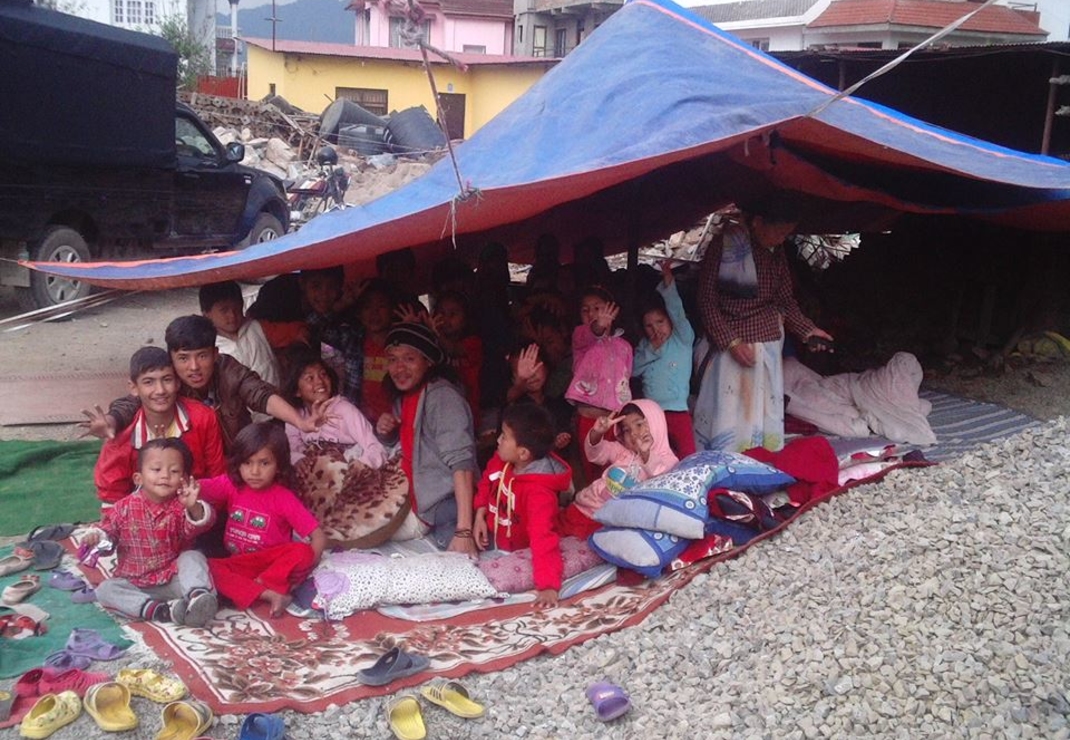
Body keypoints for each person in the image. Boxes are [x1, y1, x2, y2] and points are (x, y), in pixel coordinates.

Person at [694, 200, 833, 452]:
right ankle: (724, 463)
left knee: (761, 415)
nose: (782, 239)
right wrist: (731, 342)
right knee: (729, 416)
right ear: (757, 222)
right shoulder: (726, 245)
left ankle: (761, 462)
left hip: (767, 345)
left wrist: (808, 330)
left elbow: (784, 300)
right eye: (779, 232)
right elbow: (706, 301)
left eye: (786, 234)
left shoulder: (776, 252)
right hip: (730, 349)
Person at [85, 315, 326, 450]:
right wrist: (110, 420)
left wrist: (300, 421)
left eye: (202, 356)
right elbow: (134, 402)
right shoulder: (167, 378)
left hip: (235, 459)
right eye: (183, 358)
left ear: (215, 353)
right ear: (171, 358)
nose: (193, 367)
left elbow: (260, 394)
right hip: (187, 464)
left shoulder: (228, 369)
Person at [83, 438, 219, 626]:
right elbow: (108, 535)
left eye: (174, 471)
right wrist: (98, 538)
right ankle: (163, 611)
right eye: (156, 470)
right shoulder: (123, 507)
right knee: (105, 590)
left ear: (184, 479)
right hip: (135, 583)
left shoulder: (181, 506)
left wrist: (194, 507)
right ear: (138, 478)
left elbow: (199, 526)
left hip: (172, 578)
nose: (165, 476)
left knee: (193, 557)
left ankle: (197, 597)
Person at [199, 423, 327, 617]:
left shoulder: (283, 498)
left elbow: (318, 537)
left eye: (264, 463)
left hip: (273, 564)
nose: (255, 471)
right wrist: (178, 485)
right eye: (247, 463)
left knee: (302, 551)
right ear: (237, 463)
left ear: (279, 465)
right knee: (206, 567)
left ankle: (256, 587)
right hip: (242, 563)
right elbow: (202, 488)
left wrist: (306, 569)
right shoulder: (231, 485)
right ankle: (270, 594)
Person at [374, 322, 479, 556]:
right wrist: (388, 433)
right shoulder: (406, 397)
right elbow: (415, 447)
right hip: (414, 499)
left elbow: (462, 463)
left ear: (428, 362)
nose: (399, 368)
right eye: (393, 359)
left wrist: (464, 531)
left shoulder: (442, 397)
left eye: (409, 359)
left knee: (357, 533)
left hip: (441, 507)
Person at [94, 347, 225, 504]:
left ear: (177, 383)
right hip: (140, 515)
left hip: (196, 508)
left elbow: (217, 476)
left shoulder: (202, 417)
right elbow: (111, 495)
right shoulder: (121, 433)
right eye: (149, 382)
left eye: (167, 379)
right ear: (134, 388)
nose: (160, 390)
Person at [474, 403, 573, 609]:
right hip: (495, 539)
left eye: (505, 436)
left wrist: (548, 586)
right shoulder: (502, 459)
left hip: (518, 549)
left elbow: (543, 537)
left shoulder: (539, 494)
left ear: (523, 454)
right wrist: (480, 512)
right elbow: (487, 480)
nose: (499, 440)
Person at [557, 399, 678, 539]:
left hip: (608, 522)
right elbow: (595, 453)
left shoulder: (669, 460)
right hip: (583, 507)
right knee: (552, 532)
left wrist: (646, 453)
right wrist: (597, 433)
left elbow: (660, 473)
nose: (633, 433)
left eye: (639, 424)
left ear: (656, 424)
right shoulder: (623, 451)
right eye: (626, 430)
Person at [565, 285, 634, 485]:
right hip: (588, 419)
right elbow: (592, 332)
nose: (591, 313)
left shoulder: (625, 347)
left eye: (597, 308)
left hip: (615, 422)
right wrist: (599, 325)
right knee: (590, 473)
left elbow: (626, 379)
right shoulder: (581, 337)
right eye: (585, 309)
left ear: (613, 310)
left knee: (614, 475)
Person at [632, 261, 697, 458]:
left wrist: (668, 282)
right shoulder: (645, 346)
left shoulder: (682, 339)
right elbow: (632, 370)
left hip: (678, 411)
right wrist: (652, 349)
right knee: (653, 457)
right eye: (649, 326)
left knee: (687, 455)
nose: (656, 329)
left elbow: (677, 311)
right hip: (651, 414)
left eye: (660, 322)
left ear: (670, 320)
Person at [283, 350, 388, 467]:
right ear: (297, 391)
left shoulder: (345, 410)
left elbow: (375, 447)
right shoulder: (296, 416)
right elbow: (291, 448)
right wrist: (299, 459)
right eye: (310, 378)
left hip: (349, 472)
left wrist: (360, 466)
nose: (320, 382)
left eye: (323, 374)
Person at [199, 280, 280, 387]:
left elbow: (295, 333)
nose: (232, 315)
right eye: (224, 310)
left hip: (278, 399)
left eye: (236, 307)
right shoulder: (207, 347)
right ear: (206, 314)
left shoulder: (258, 327)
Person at [506, 343, 573, 453]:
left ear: (546, 367)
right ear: (513, 379)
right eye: (521, 370)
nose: (531, 374)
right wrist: (521, 383)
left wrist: (560, 439)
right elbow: (508, 399)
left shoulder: (557, 402)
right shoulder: (515, 406)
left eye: (535, 366)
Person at [432, 290, 483, 418]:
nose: (446, 319)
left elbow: (453, 349)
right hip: (443, 408)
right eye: (441, 313)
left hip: (471, 406)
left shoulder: (473, 342)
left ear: (466, 317)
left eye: (453, 314)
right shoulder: (434, 342)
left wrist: (436, 332)